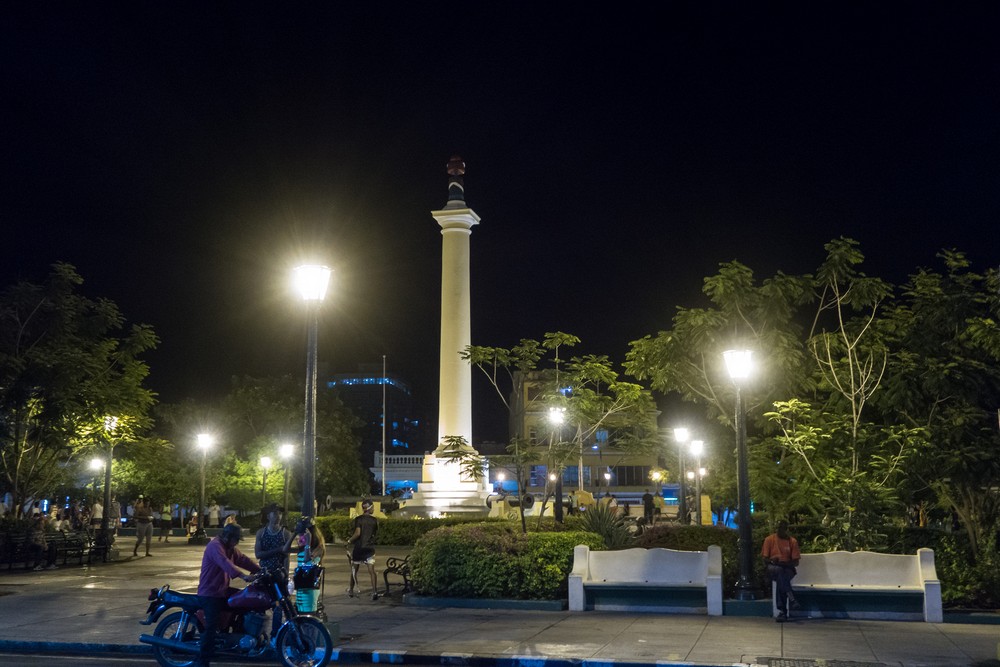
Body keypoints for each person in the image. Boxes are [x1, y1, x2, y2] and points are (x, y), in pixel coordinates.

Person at [197, 522, 259, 667]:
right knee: (211, 626)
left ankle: (236, 635)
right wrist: (243, 576)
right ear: (228, 537)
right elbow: (224, 562)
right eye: (236, 539)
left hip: (222, 590)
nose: (237, 542)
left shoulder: (230, 548)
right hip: (210, 593)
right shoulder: (215, 546)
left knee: (245, 601)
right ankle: (202, 661)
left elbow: (243, 559)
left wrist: (260, 570)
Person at [254, 504, 293, 637]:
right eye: (275, 513)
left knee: (279, 606)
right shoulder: (261, 533)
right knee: (260, 604)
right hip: (264, 573)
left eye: (279, 513)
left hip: (278, 574)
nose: (278, 516)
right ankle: (259, 633)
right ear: (268, 516)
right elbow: (258, 554)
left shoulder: (285, 534)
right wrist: (278, 550)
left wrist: (286, 574)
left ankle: (275, 634)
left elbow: (286, 556)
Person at [761, 520, 802, 622]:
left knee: (781, 577)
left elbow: (796, 562)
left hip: (787, 568)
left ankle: (782, 612)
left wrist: (785, 563)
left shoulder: (792, 541)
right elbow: (765, 559)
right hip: (773, 567)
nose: (780, 530)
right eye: (778, 528)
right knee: (780, 572)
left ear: (786, 529)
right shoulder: (769, 540)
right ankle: (792, 598)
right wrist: (772, 561)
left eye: (783, 528)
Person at [345, 499, 379, 600]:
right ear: (370, 508)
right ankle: (374, 591)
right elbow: (374, 534)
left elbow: (357, 533)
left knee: (354, 570)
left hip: (359, 548)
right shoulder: (374, 520)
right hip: (369, 548)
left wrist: (349, 541)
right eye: (373, 507)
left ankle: (351, 590)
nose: (373, 509)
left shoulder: (358, 519)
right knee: (371, 571)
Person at [292, 517, 326, 613]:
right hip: (300, 585)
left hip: (310, 587)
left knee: (309, 613)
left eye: (302, 534)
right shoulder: (302, 548)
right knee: (300, 614)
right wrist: (294, 533)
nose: (299, 537)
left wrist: (308, 542)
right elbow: (285, 549)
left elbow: (307, 560)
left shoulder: (318, 548)